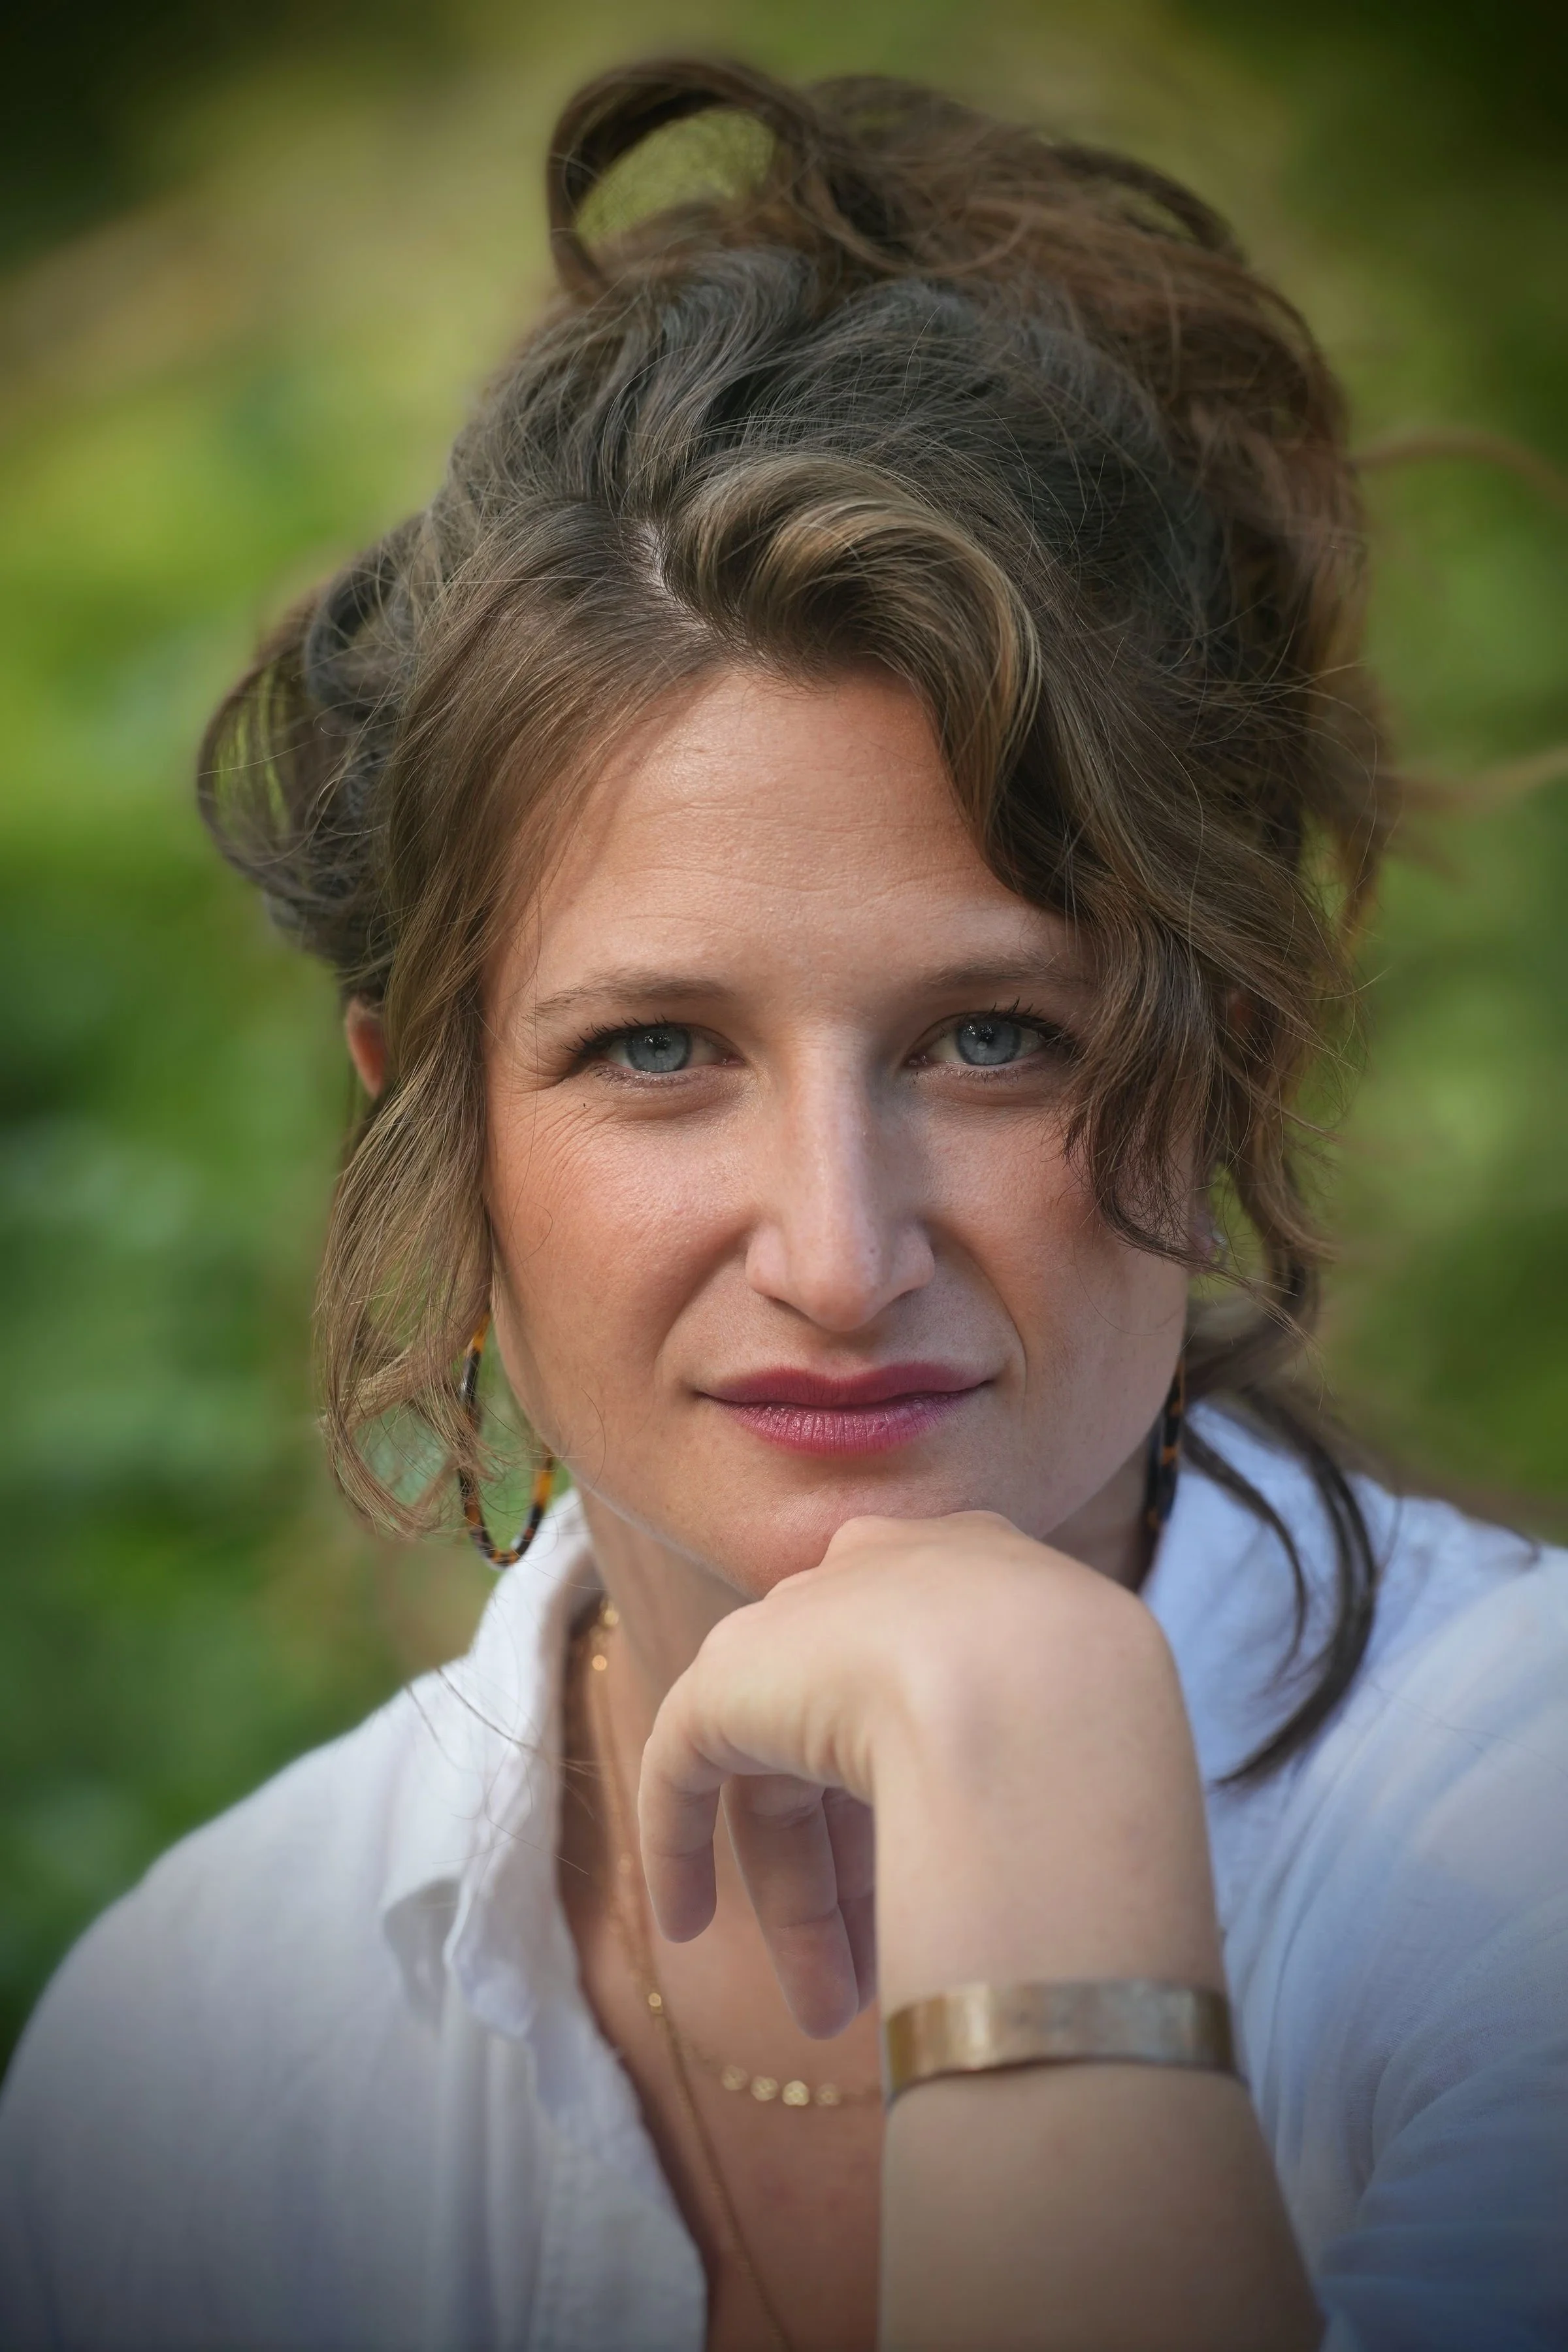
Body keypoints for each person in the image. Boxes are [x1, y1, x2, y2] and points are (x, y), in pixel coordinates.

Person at [0, 56, 1562, 2352]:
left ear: (1224, 1053)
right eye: (656, 1053)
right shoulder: (195, 2060)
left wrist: (1048, 1926)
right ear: (429, 1120)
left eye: (992, 1038)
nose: (840, 1256)